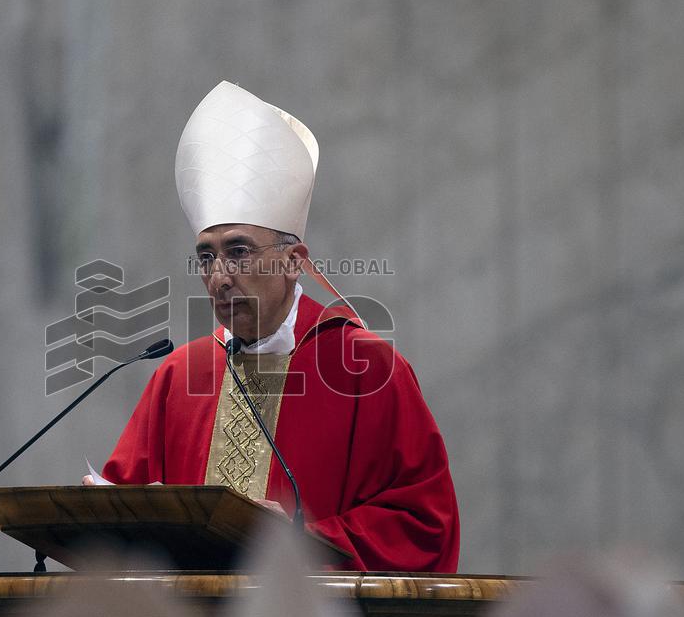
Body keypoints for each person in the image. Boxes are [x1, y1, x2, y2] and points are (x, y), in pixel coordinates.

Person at [87, 81, 459, 571]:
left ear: (293, 261)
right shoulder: (178, 376)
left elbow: (422, 524)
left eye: (239, 252)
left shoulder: (367, 367)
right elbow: (116, 519)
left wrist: (295, 540)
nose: (219, 277)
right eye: (206, 257)